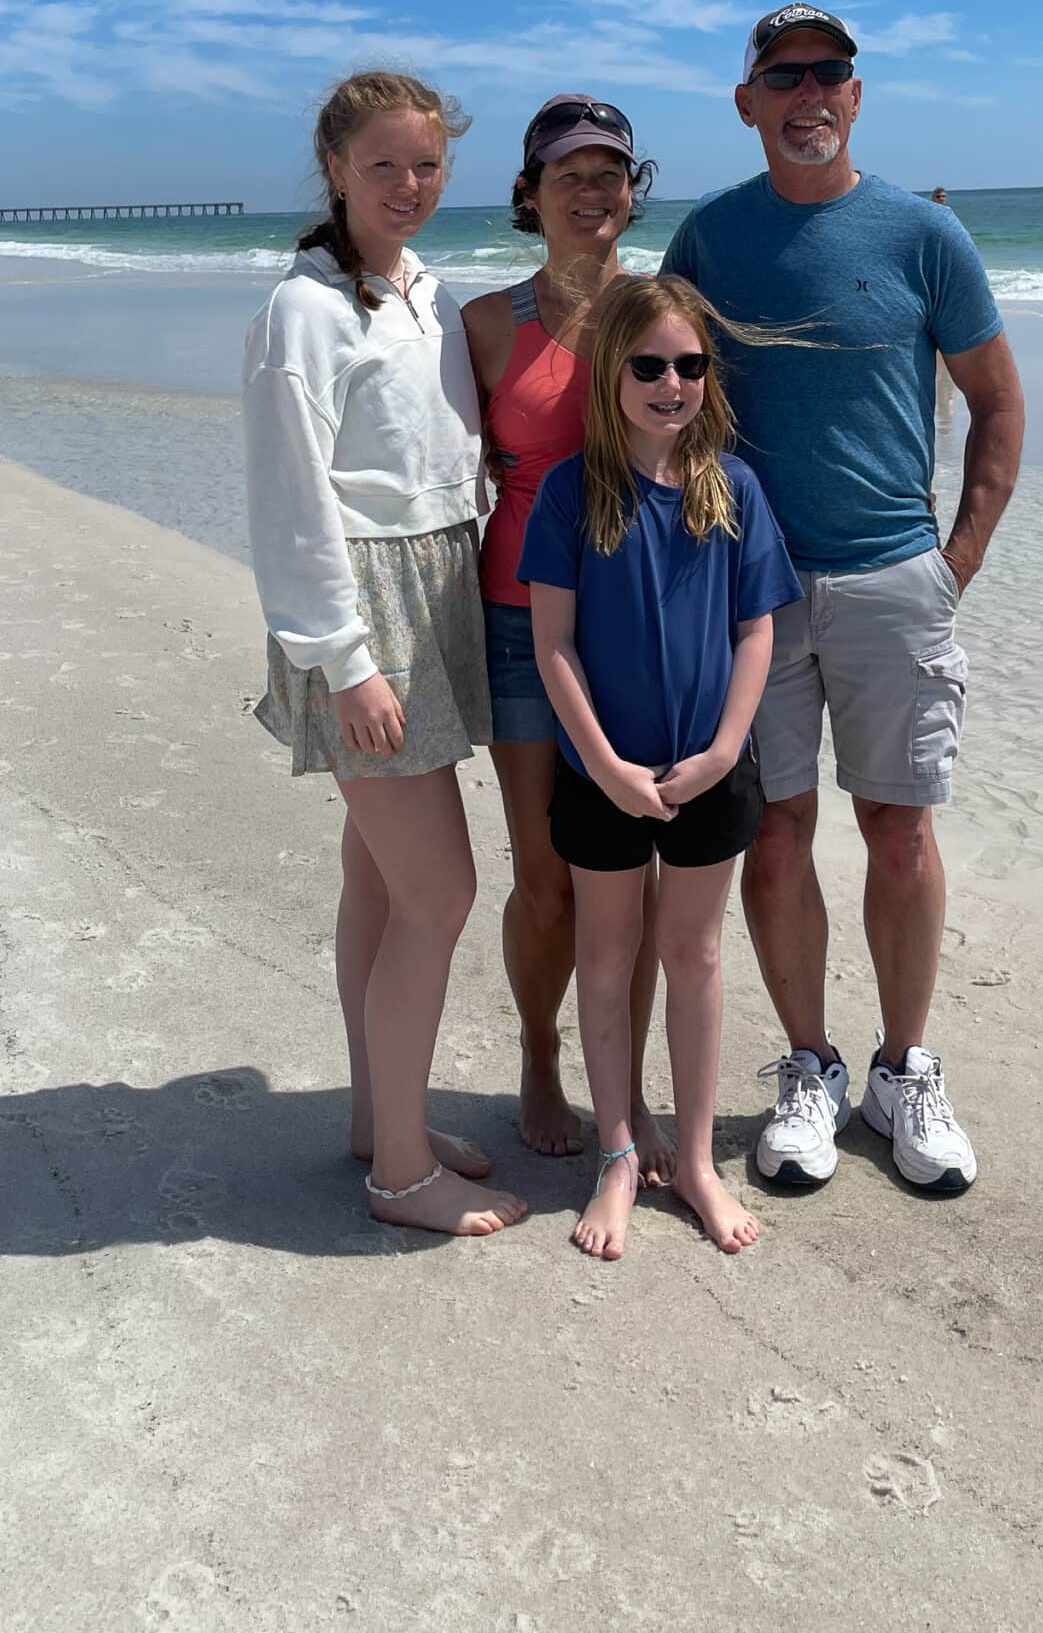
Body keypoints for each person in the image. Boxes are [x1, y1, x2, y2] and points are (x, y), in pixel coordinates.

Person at [663, 1, 1026, 1199]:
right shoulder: (710, 238)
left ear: (857, 96)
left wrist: (957, 558)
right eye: (784, 76)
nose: (808, 92)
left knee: (899, 828)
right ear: (747, 102)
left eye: (830, 73)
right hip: (753, 591)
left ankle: (904, 1070)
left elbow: (997, 400)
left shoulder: (925, 234)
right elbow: (656, 390)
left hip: (894, 578)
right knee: (775, 828)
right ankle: (809, 1066)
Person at [243, 68, 526, 1241]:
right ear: (335, 170)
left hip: (437, 587)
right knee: (439, 890)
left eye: (427, 164)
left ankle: (379, 1118)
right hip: (365, 616)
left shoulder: (425, 290)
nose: (409, 184)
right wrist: (343, 659)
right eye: (383, 165)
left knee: (376, 878)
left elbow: (434, 446)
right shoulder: (302, 310)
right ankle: (404, 1176)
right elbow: (291, 501)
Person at [522, 274, 802, 1258]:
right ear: (611, 373)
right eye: (647, 366)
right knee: (606, 956)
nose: (670, 384)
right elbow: (553, 644)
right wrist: (601, 763)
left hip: (710, 772)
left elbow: (757, 631)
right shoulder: (572, 491)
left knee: (696, 954)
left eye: (689, 365)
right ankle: (614, 1153)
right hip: (602, 773)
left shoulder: (735, 488)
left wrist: (725, 749)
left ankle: (692, 1160)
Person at [462, 96, 671, 1171]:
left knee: (633, 878)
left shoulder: (666, 313)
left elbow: (706, 452)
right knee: (545, 874)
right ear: (530, 195)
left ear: (633, 190)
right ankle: (541, 1054)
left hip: (642, 623)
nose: (592, 191)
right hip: (518, 618)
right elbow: (436, 464)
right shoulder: (486, 325)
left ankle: (624, 1089)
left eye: (610, 173)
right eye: (569, 174)